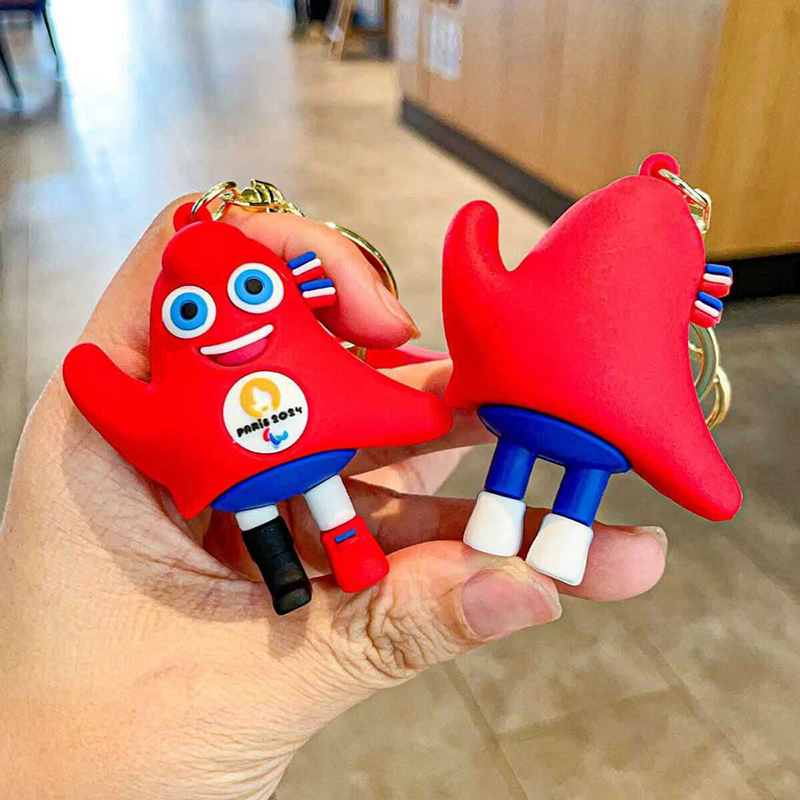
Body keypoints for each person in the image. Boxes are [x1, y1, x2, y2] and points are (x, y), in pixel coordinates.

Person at [0, 197, 667, 799]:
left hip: (277, 469)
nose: (230, 325)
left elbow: (371, 395)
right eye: (192, 313)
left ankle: (341, 562)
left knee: (311, 507)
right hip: (272, 471)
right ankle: (299, 575)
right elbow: (125, 405)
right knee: (293, 514)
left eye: (253, 290)